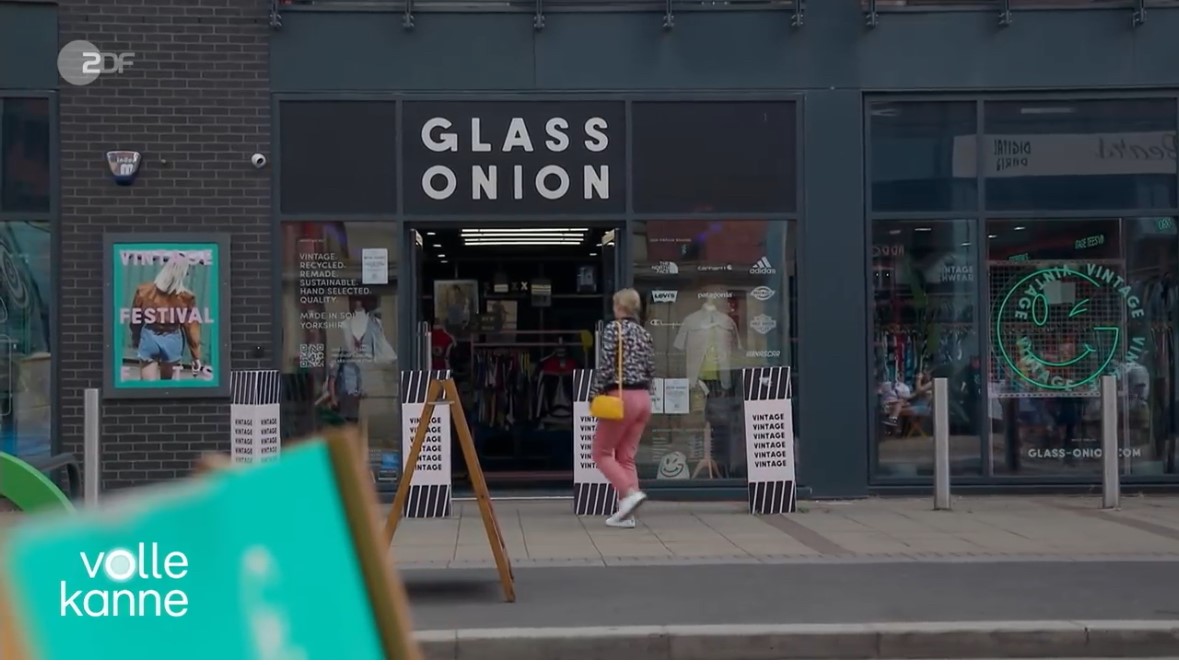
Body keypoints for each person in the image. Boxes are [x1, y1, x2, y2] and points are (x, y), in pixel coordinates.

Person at [590, 288, 656, 528]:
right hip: (643, 398)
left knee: (600, 452)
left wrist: (594, 393)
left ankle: (629, 494)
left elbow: (606, 365)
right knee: (626, 456)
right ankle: (627, 514)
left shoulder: (613, 329)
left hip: (621, 397)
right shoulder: (644, 334)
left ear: (619, 307)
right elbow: (651, 369)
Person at [129, 254, 203, 381]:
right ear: (183, 273)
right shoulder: (186, 298)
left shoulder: (144, 290)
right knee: (166, 386)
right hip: (172, 339)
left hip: (149, 336)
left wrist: (136, 339)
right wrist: (196, 356)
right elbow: (191, 329)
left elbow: (135, 319)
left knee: (147, 388)